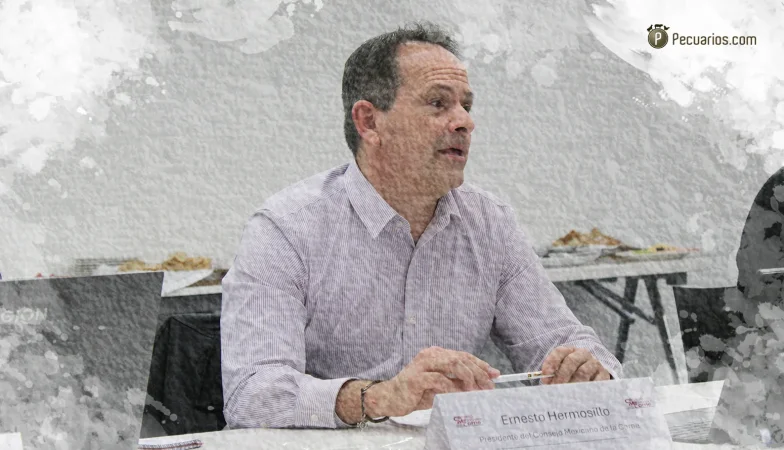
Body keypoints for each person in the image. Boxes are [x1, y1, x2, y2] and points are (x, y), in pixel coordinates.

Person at [220, 22, 621, 430]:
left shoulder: (489, 223)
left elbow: (561, 341)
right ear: (369, 122)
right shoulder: (287, 228)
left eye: (466, 106)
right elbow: (251, 394)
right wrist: (377, 397)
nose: (464, 122)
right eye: (437, 103)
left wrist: (589, 369)